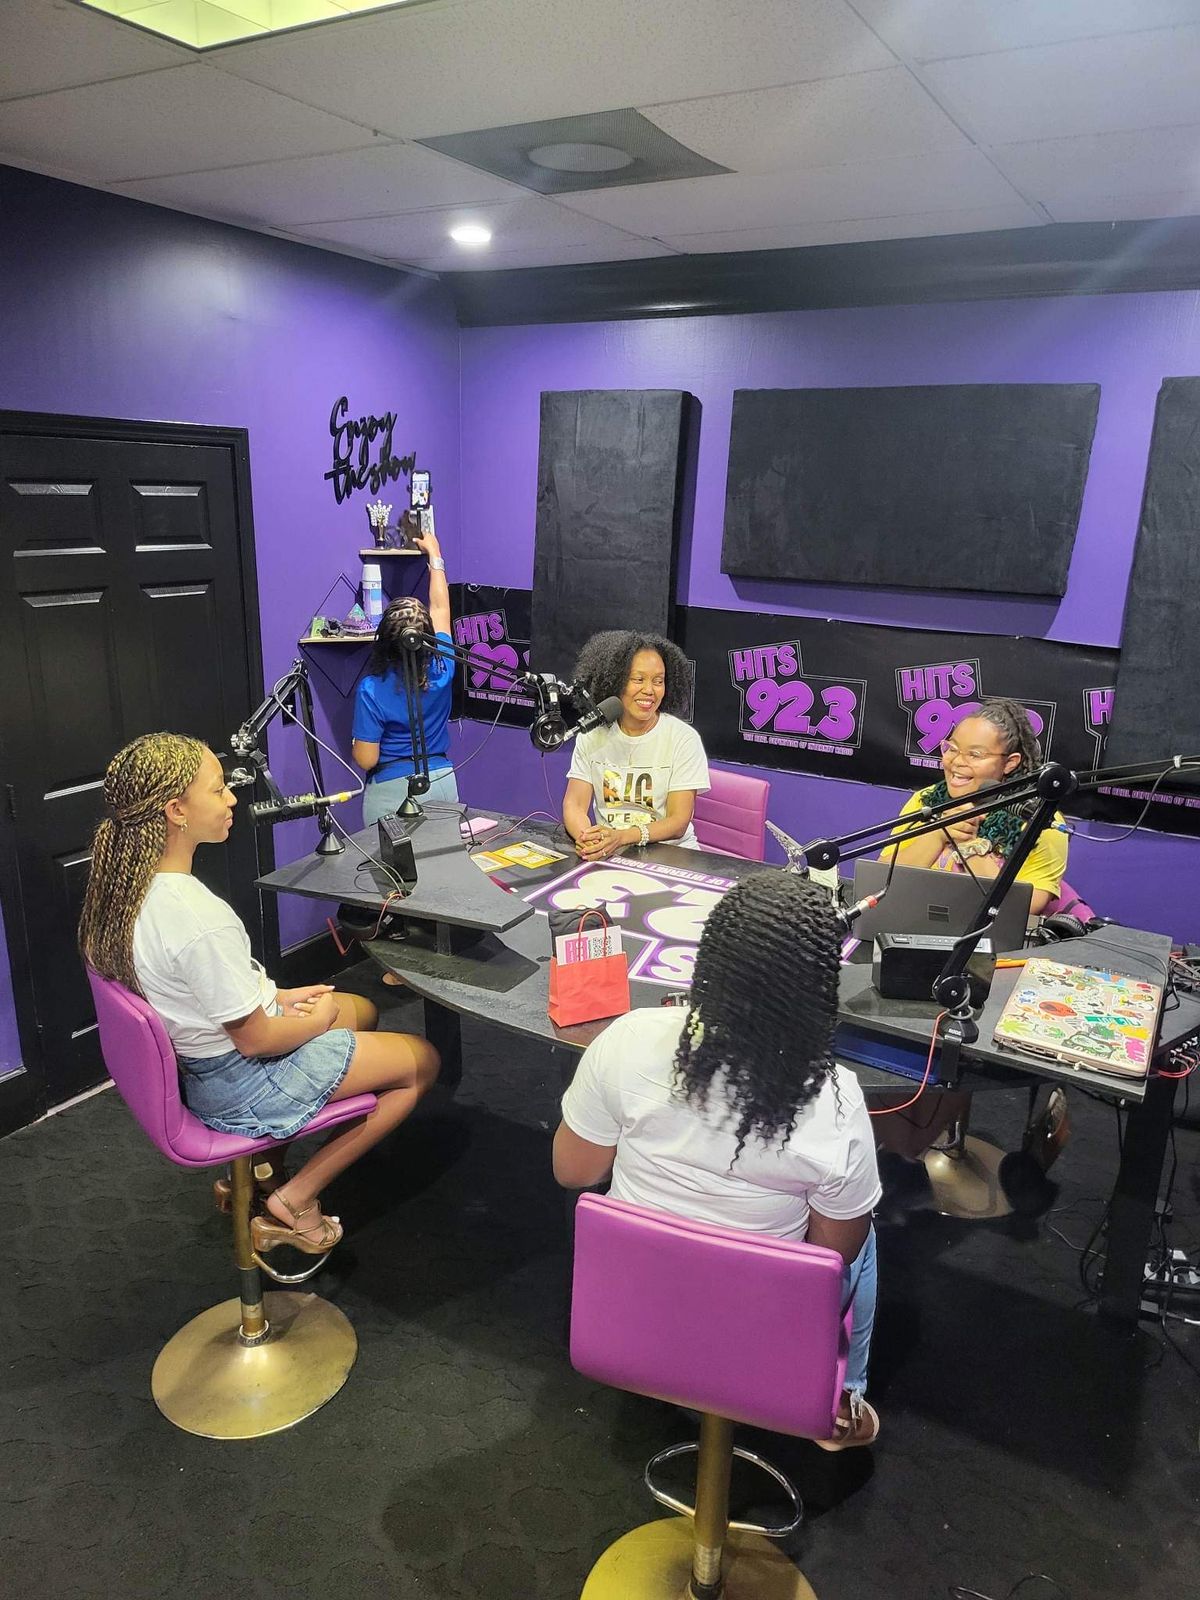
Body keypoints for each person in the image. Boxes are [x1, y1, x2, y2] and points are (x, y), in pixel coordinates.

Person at [553, 873, 882, 1448]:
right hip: (754, 1326)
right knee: (865, 1229)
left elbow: (573, 1172)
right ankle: (840, 1402)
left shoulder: (628, 1038)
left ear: (707, 961)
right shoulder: (837, 1100)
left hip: (631, 1308)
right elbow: (834, 1254)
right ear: (818, 989)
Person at [79, 733, 439, 1256]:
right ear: (176, 811)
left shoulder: (126, 889)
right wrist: (316, 1019)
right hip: (238, 1080)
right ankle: (295, 1201)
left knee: (362, 1009)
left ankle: (265, 1169)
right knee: (422, 1062)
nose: (231, 798)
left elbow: (200, 991)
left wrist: (276, 996)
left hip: (205, 1059)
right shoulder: (197, 918)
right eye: (218, 789)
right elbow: (255, 1040)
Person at [884, 696, 1067, 914]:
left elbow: (1023, 909)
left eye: (975, 754)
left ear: (1010, 763)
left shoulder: (1040, 820)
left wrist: (969, 844)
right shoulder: (926, 801)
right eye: (952, 748)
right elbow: (882, 879)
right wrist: (938, 834)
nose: (957, 761)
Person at [563, 630, 709, 859]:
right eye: (638, 680)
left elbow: (678, 822)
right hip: (612, 852)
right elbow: (575, 804)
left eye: (658, 681)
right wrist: (587, 837)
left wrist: (623, 836)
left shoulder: (683, 738)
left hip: (672, 854)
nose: (649, 690)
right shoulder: (591, 735)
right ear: (615, 682)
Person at [353, 526, 456, 824]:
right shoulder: (444, 666)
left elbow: (367, 759)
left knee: (389, 858)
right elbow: (440, 607)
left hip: (391, 791)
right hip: (442, 781)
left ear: (384, 640)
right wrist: (435, 553)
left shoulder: (372, 689)